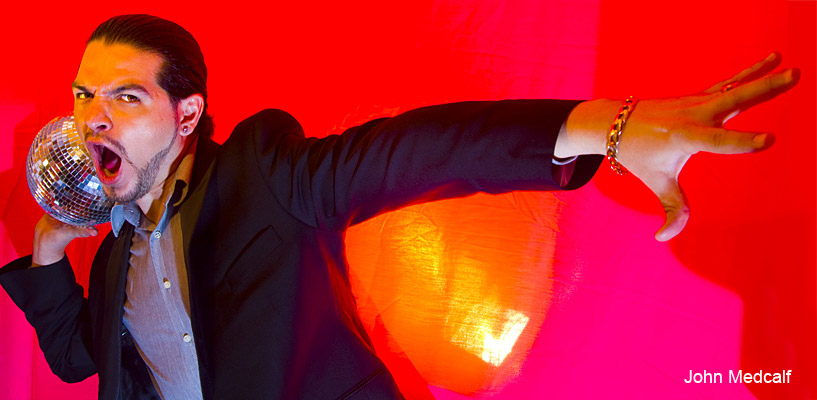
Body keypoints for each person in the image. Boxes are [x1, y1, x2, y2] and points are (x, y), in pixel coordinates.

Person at [0, 14, 799, 400]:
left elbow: (413, 151)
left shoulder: (261, 173)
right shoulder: (117, 252)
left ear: (186, 115)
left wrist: (603, 127)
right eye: (84, 95)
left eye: (125, 96)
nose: (91, 116)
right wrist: (49, 252)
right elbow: (80, 360)